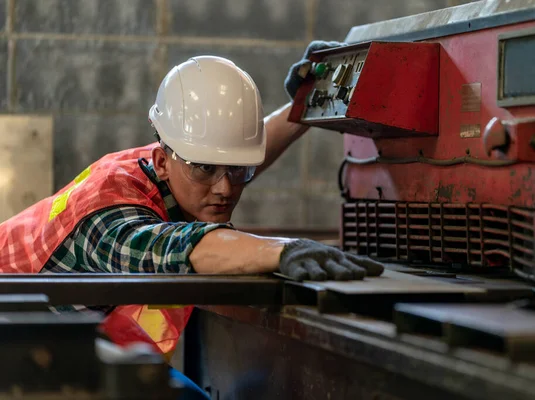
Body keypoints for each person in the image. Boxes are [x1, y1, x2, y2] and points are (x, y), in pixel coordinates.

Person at [0, 41, 383, 399]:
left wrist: (303, 109)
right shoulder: (110, 217)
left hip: (61, 339)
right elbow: (175, 247)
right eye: (205, 170)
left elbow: (222, 165)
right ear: (165, 162)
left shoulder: (168, 165)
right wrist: (283, 251)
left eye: (238, 172)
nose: (225, 190)